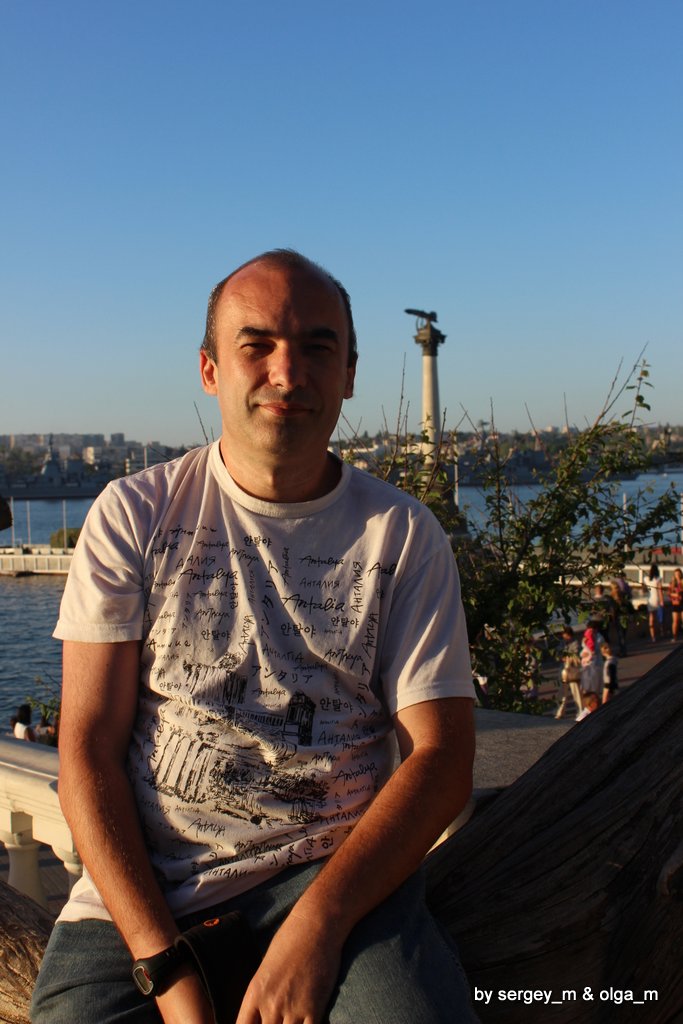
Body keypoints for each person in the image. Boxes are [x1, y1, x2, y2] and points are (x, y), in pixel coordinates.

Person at [32, 249, 478, 1024]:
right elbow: (88, 751)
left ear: (348, 373)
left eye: (316, 347)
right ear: (210, 370)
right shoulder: (134, 515)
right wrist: (165, 966)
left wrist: (319, 926)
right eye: (257, 345)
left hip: (335, 877)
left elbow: (440, 758)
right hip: (146, 890)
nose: (287, 371)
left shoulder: (402, 536)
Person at [555, 626, 582, 720]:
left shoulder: (575, 643)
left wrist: (566, 657)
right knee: (562, 692)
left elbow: (576, 656)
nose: (563, 636)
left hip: (572, 670)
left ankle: (580, 711)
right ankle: (560, 711)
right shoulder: (562, 643)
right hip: (564, 669)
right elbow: (558, 653)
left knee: (576, 692)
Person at [643, 563, 664, 642]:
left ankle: (653, 637)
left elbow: (644, 590)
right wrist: (662, 601)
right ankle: (661, 633)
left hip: (650, 600)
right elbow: (659, 591)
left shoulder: (646, 579)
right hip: (657, 599)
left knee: (651, 618)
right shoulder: (658, 579)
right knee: (659, 618)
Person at [668, 567, 683, 642]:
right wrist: (675, 595)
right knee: (675, 621)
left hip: (682, 602)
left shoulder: (682, 582)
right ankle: (674, 637)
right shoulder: (672, 583)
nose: (677, 575)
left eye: (678, 574)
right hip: (675, 603)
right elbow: (669, 593)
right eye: (676, 574)